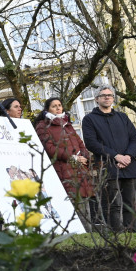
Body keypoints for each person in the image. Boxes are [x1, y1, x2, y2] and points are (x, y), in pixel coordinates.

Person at [81, 86, 136, 231]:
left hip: (128, 165)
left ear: (113, 98)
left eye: (110, 95)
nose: (107, 97)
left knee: (131, 204)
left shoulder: (122, 117)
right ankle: (118, 237)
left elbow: (134, 139)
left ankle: (133, 236)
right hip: (107, 166)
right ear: (97, 99)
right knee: (113, 205)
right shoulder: (89, 119)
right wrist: (116, 156)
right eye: (103, 95)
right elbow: (91, 143)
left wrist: (127, 156)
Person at [34, 97, 96, 228]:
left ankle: (90, 237)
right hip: (63, 170)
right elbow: (49, 149)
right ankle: (80, 238)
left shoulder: (67, 124)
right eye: (54, 106)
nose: (58, 108)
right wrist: (72, 157)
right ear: (47, 109)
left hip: (80, 169)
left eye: (59, 105)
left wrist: (85, 157)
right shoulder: (42, 125)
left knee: (86, 208)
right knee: (74, 210)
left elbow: (80, 144)